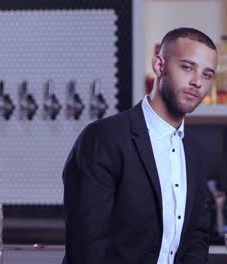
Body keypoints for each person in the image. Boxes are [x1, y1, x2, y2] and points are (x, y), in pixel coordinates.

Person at [62, 27, 218, 264]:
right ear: (159, 65)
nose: (197, 82)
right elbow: (87, 247)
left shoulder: (195, 151)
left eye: (207, 74)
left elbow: (196, 236)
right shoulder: (103, 139)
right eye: (187, 67)